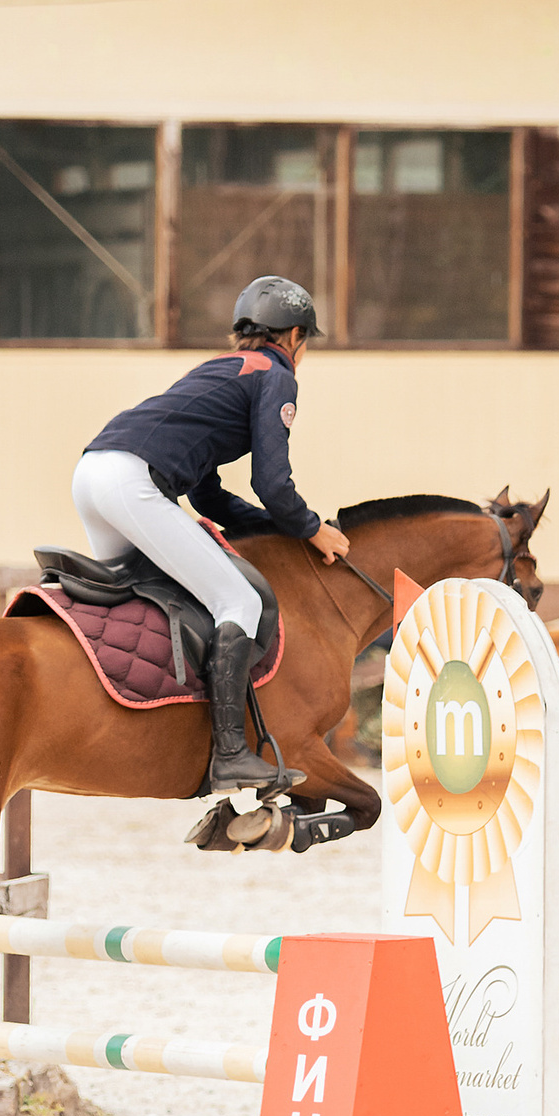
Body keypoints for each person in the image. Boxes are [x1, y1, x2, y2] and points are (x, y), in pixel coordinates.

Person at [75, 275, 349, 794]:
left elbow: (207, 496)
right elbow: (272, 481)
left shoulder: (218, 371)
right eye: (306, 340)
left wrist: (274, 530)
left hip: (92, 473)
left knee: (148, 600)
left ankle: (151, 729)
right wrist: (310, 529)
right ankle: (230, 756)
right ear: (294, 336)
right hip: (132, 482)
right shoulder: (277, 375)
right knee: (238, 602)